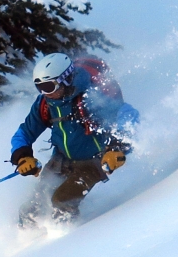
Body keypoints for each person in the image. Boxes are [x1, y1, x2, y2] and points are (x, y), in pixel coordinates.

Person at [10, 52, 139, 226]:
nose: (44, 92)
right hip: (61, 161)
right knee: (31, 208)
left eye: (48, 86)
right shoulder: (45, 103)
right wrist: (22, 156)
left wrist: (118, 147)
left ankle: (66, 239)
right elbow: (24, 133)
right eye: (39, 87)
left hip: (92, 163)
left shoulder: (89, 98)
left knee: (62, 201)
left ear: (64, 79)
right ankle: (24, 240)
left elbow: (128, 115)